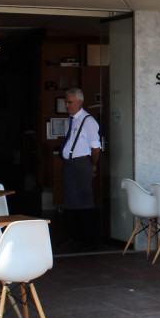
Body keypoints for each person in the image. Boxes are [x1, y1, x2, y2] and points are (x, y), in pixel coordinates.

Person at [59, 88, 101, 250]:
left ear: (79, 102)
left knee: (83, 202)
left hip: (81, 164)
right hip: (71, 165)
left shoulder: (87, 121)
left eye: (70, 102)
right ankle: (73, 236)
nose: (67, 105)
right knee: (70, 201)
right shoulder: (72, 120)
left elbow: (95, 147)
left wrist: (93, 164)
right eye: (66, 102)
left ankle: (87, 239)